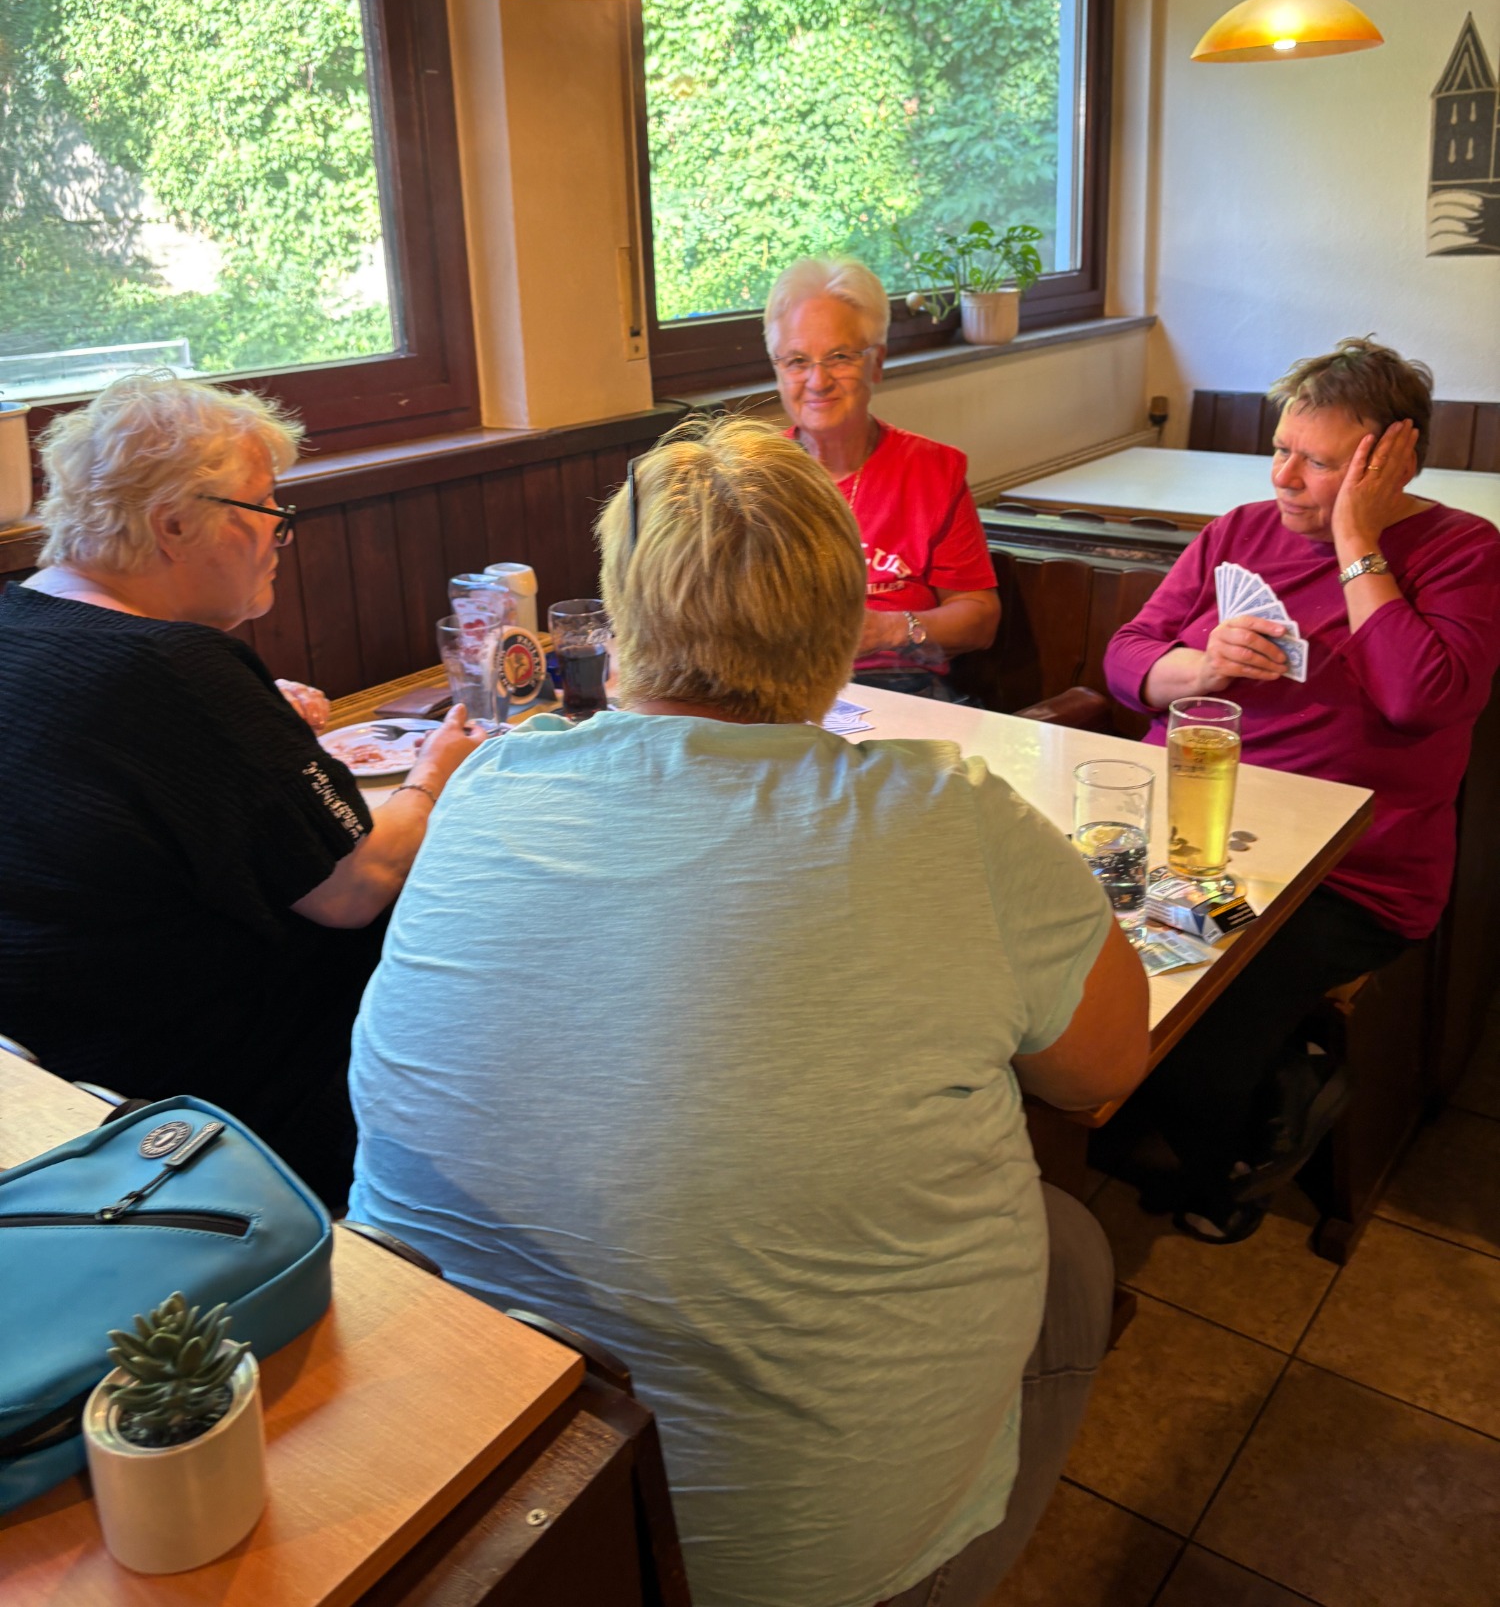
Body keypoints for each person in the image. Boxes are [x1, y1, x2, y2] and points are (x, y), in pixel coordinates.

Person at [348, 416, 1148, 1607]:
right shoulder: (957, 817)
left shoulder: (483, 786)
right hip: (786, 1567)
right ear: (845, 624)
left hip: (466, 1519)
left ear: (622, 620)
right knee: (1075, 1249)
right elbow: (1104, 1070)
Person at [0, 372, 481, 1205]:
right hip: (220, 1111)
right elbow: (356, 885)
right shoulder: (176, 668)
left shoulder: (20, 623)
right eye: (265, 510)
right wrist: (439, 772)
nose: (278, 536)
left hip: (61, 1075)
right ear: (173, 524)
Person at [1104, 337, 1500, 1243]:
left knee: (1200, 982)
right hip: (1193, 834)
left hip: (1344, 874)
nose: (1283, 477)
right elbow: (1127, 657)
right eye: (1281, 448)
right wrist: (1196, 668)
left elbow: (1420, 698)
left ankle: (1223, 1168)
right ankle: (1147, 1110)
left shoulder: (1463, 550)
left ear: (1389, 465)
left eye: (1318, 464)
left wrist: (1358, 538)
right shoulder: (1238, 531)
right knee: (1072, 940)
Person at [764, 257, 1000, 694]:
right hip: (772, 690)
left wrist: (890, 629)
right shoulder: (749, 476)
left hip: (897, 687)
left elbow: (979, 618)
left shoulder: (933, 471)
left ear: (876, 363)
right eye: (796, 361)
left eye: (839, 357)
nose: (817, 381)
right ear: (778, 372)